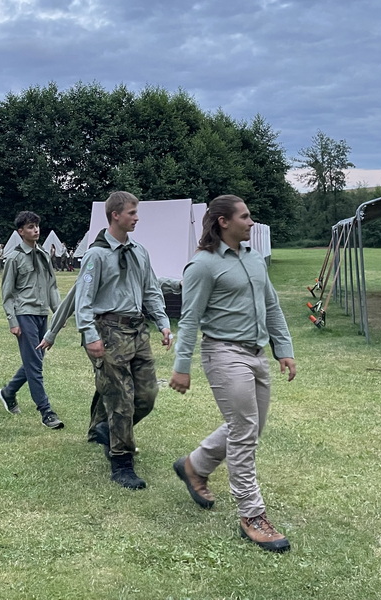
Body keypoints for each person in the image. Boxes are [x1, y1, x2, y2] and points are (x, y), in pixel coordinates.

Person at [168, 195, 296, 553]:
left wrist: (284, 349)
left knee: (249, 427)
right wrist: (181, 367)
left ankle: (194, 465)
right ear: (223, 221)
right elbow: (189, 319)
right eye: (245, 216)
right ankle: (252, 515)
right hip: (223, 354)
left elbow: (271, 305)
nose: (251, 222)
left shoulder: (254, 258)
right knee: (244, 433)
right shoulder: (203, 265)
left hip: (257, 354)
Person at [73, 191, 172, 490]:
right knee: (121, 399)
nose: (136, 218)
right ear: (115, 215)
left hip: (138, 330)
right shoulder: (96, 255)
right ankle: (121, 462)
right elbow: (83, 299)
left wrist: (163, 322)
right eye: (132, 213)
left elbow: (151, 288)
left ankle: (103, 428)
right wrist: (90, 335)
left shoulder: (139, 251)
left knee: (147, 395)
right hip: (109, 331)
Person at [0, 211, 63, 429]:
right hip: (24, 314)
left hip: (42, 314)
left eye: (37, 226)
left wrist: (59, 312)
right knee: (35, 365)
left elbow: (52, 286)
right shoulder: (14, 258)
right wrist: (12, 321)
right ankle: (46, 412)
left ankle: (8, 392)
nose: (35, 230)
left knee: (35, 360)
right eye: (30, 227)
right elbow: (7, 293)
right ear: (20, 231)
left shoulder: (43, 254)